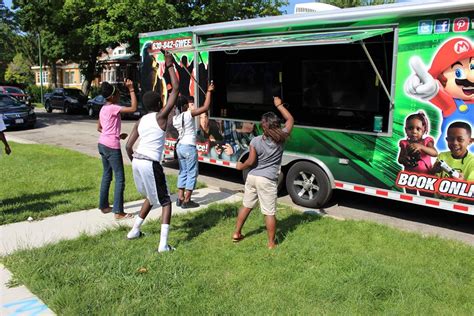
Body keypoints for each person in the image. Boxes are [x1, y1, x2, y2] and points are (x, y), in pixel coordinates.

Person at [125, 51, 179, 252]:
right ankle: (163, 245)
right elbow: (175, 92)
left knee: (150, 195)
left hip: (137, 159)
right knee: (166, 202)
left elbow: (128, 146)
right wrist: (170, 65)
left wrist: (135, 161)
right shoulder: (160, 118)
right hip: (149, 162)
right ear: (158, 104)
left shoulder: (141, 120)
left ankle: (134, 231)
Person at [232, 96, 294, 249]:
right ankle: (271, 243)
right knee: (269, 212)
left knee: (246, 205)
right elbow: (290, 119)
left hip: (253, 177)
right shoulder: (282, 137)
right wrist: (279, 105)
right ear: (275, 124)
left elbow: (251, 162)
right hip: (267, 180)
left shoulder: (256, 141)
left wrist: (241, 166)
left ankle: (236, 233)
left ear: (263, 126)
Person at [97, 79, 137, 219]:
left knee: (107, 175)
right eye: (118, 95)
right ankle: (119, 212)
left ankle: (104, 206)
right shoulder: (113, 107)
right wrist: (131, 89)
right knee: (120, 178)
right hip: (111, 147)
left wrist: (116, 134)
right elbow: (133, 108)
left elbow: (99, 128)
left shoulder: (103, 108)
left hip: (102, 144)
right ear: (113, 97)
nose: (119, 96)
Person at [173, 82, 215, 208]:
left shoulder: (175, 118)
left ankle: (180, 198)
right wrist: (209, 91)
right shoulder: (188, 114)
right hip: (189, 147)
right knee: (192, 172)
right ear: (186, 105)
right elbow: (205, 107)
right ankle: (187, 200)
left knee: (183, 171)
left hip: (180, 146)